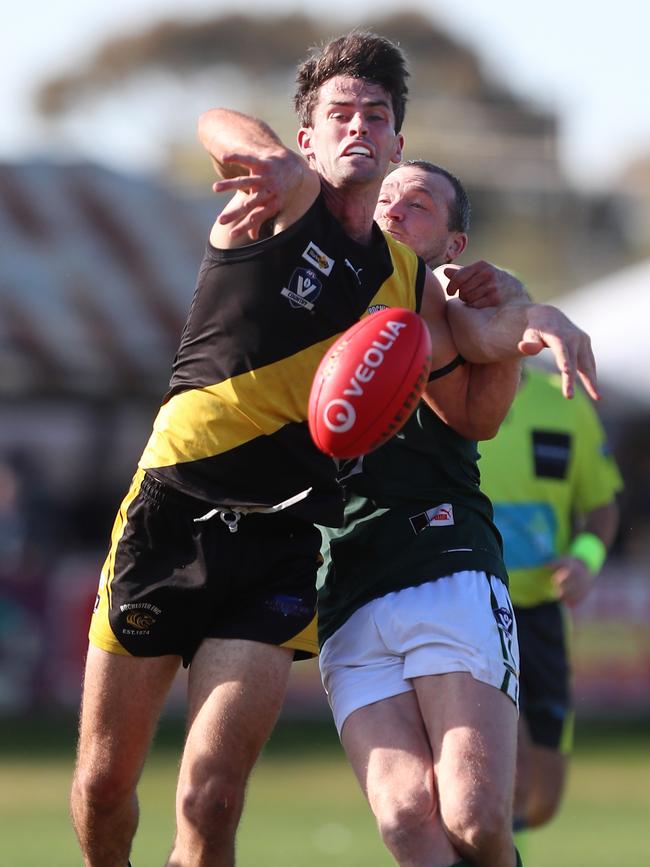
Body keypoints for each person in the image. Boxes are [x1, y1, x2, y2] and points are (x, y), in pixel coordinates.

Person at [70, 32, 597, 867]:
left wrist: (538, 317)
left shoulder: (405, 277)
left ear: (396, 144)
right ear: (309, 137)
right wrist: (270, 159)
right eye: (338, 114)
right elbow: (215, 119)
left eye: (377, 116)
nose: (358, 127)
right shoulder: (282, 200)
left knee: (211, 795)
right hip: (171, 514)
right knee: (104, 789)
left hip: (281, 544)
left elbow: (472, 394)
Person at [317, 159, 599, 867]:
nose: (395, 209)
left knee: (474, 818)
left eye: (418, 204)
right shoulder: (316, 288)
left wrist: (539, 316)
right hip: (347, 584)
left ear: (453, 244)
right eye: (387, 197)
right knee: (408, 818)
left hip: (447, 569)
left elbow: (495, 334)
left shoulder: (446, 298)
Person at [478, 361, 623, 837]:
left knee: (541, 801)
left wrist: (585, 559)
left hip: (541, 616)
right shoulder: (441, 399)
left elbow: (602, 508)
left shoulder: (564, 404)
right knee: (503, 783)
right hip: (470, 610)